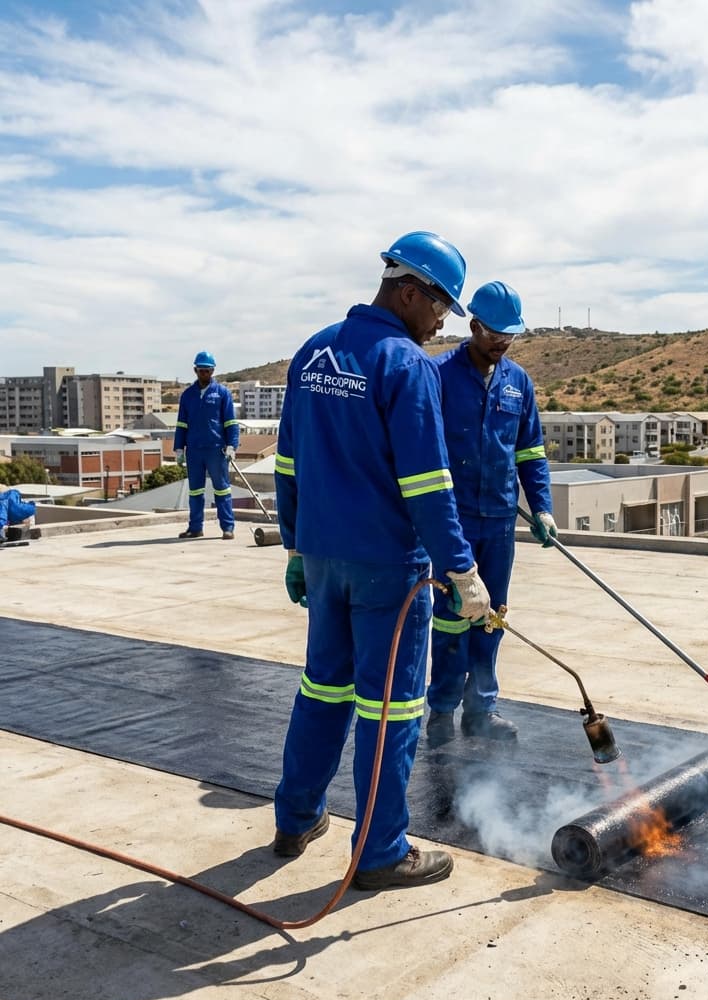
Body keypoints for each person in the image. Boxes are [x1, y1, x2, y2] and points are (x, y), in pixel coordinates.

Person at [272, 230, 491, 890]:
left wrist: (295, 547)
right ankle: (380, 852)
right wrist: (461, 570)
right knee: (391, 708)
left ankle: (296, 818)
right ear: (410, 292)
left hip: (324, 559)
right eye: (442, 306)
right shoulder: (404, 364)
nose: (442, 323)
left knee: (322, 688)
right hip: (388, 569)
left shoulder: (314, 352)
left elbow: (288, 463)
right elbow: (428, 485)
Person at [425, 281, 557, 746]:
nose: (503, 342)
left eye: (510, 335)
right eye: (495, 333)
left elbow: (530, 452)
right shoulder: (438, 375)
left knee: (492, 615)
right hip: (453, 520)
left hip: (500, 520)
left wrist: (542, 508)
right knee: (451, 615)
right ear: (474, 325)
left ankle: (481, 709)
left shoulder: (518, 382)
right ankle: (442, 709)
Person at [173, 351, 240, 540]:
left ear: (213, 371)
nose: (204, 374)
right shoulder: (187, 395)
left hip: (216, 449)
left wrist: (232, 445)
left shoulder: (222, 393)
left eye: (208, 371)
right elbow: (182, 423)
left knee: (222, 489)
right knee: (195, 491)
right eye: (201, 370)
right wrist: (179, 448)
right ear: (195, 370)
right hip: (194, 450)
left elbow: (230, 422)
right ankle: (195, 528)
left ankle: (228, 527)